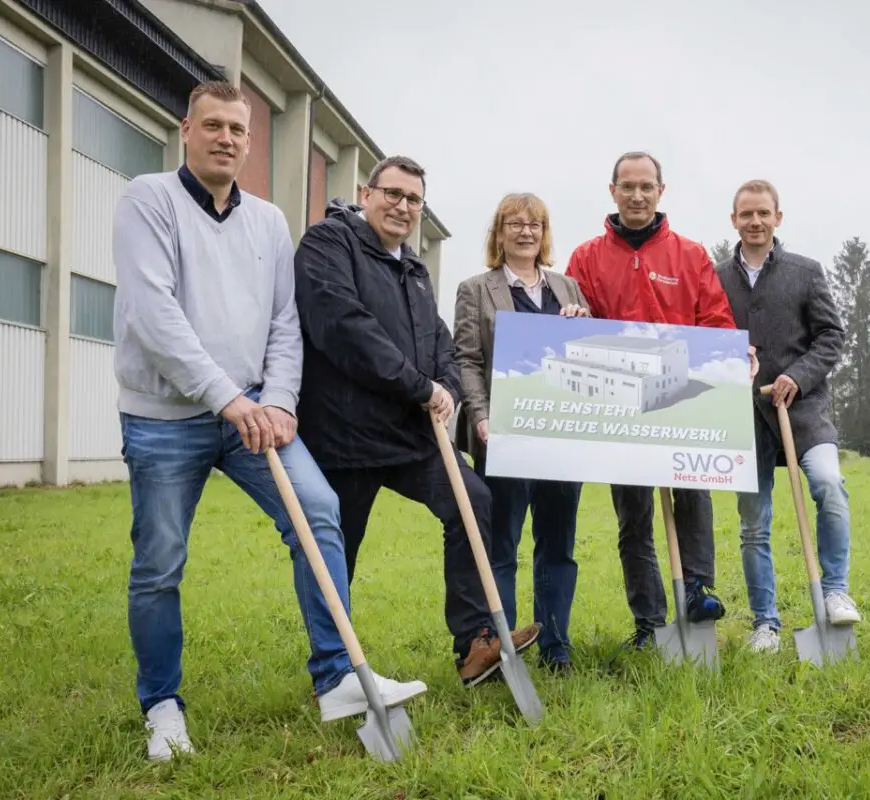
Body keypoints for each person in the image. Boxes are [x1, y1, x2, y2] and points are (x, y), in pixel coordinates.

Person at [111, 81, 425, 762]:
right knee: (160, 563)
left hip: (256, 412)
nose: (227, 138)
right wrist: (231, 398)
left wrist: (279, 401)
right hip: (168, 415)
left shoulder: (268, 221)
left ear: (250, 142)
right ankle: (162, 705)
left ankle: (338, 676)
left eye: (239, 130)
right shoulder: (148, 199)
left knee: (318, 513)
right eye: (215, 125)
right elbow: (153, 314)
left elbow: (287, 322)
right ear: (187, 129)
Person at [291, 155, 541, 688]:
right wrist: (419, 385)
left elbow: (440, 344)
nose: (403, 207)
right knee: (338, 551)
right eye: (393, 194)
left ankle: (475, 644)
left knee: (473, 501)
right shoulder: (327, 245)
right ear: (366, 193)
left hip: (411, 437)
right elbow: (346, 329)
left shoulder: (415, 270)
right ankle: (335, 671)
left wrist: (447, 388)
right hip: (345, 437)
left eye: (414, 200)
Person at [565, 151, 746, 651]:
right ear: (613, 190)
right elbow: (572, 324)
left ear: (661, 191)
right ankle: (648, 621)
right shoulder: (585, 258)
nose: (637, 195)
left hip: (681, 400)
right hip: (619, 403)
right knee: (634, 515)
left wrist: (723, 353)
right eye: (628, 186)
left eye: (647, 186)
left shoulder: (689, 256)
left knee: (693, 494)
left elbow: (716, 322)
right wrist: (573, 319)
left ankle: (698, 590)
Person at [713, 178, 862, 654]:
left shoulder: (806, 271)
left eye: (763, 213)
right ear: (734, 220)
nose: (754, 222)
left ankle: (835, 591)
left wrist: (797, 376)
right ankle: (765, 625)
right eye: (745, 214)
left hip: (803, 409)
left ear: (778, 217)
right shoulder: (714, 278)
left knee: (829, 486)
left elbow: (831, 337)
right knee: (753, 523)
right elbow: (702, 337)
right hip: (745, 418)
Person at [453, 193, 590, 674]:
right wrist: (481, 414)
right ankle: (503, 649)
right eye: (515, 223)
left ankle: (556, 645)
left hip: (562, 441)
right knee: (502, 546)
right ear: (499, 231)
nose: (526, 231)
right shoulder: (476, 289)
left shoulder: (569, 288)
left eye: (535, 224)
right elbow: (466, 359)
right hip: (503, 438)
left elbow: (590, 356)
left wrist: (582, 322)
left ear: (544, 232)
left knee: (558, 546)